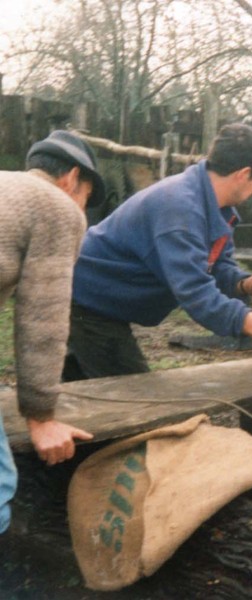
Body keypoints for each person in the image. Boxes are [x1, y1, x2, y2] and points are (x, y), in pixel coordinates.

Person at [64, 123, 252, 381]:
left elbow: (216, 266)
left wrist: (243, 284)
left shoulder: (217, 209)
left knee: (78, 388)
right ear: (243, 173)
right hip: (88, 300)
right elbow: (194, 292)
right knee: (137, 398)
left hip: (103, 300)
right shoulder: (179, 210)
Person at [0, 130, 105, 535]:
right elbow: (42, 320)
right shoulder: (57, 207)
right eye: (85, 196)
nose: (81, 211)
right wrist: (41, 415)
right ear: (71, 178)